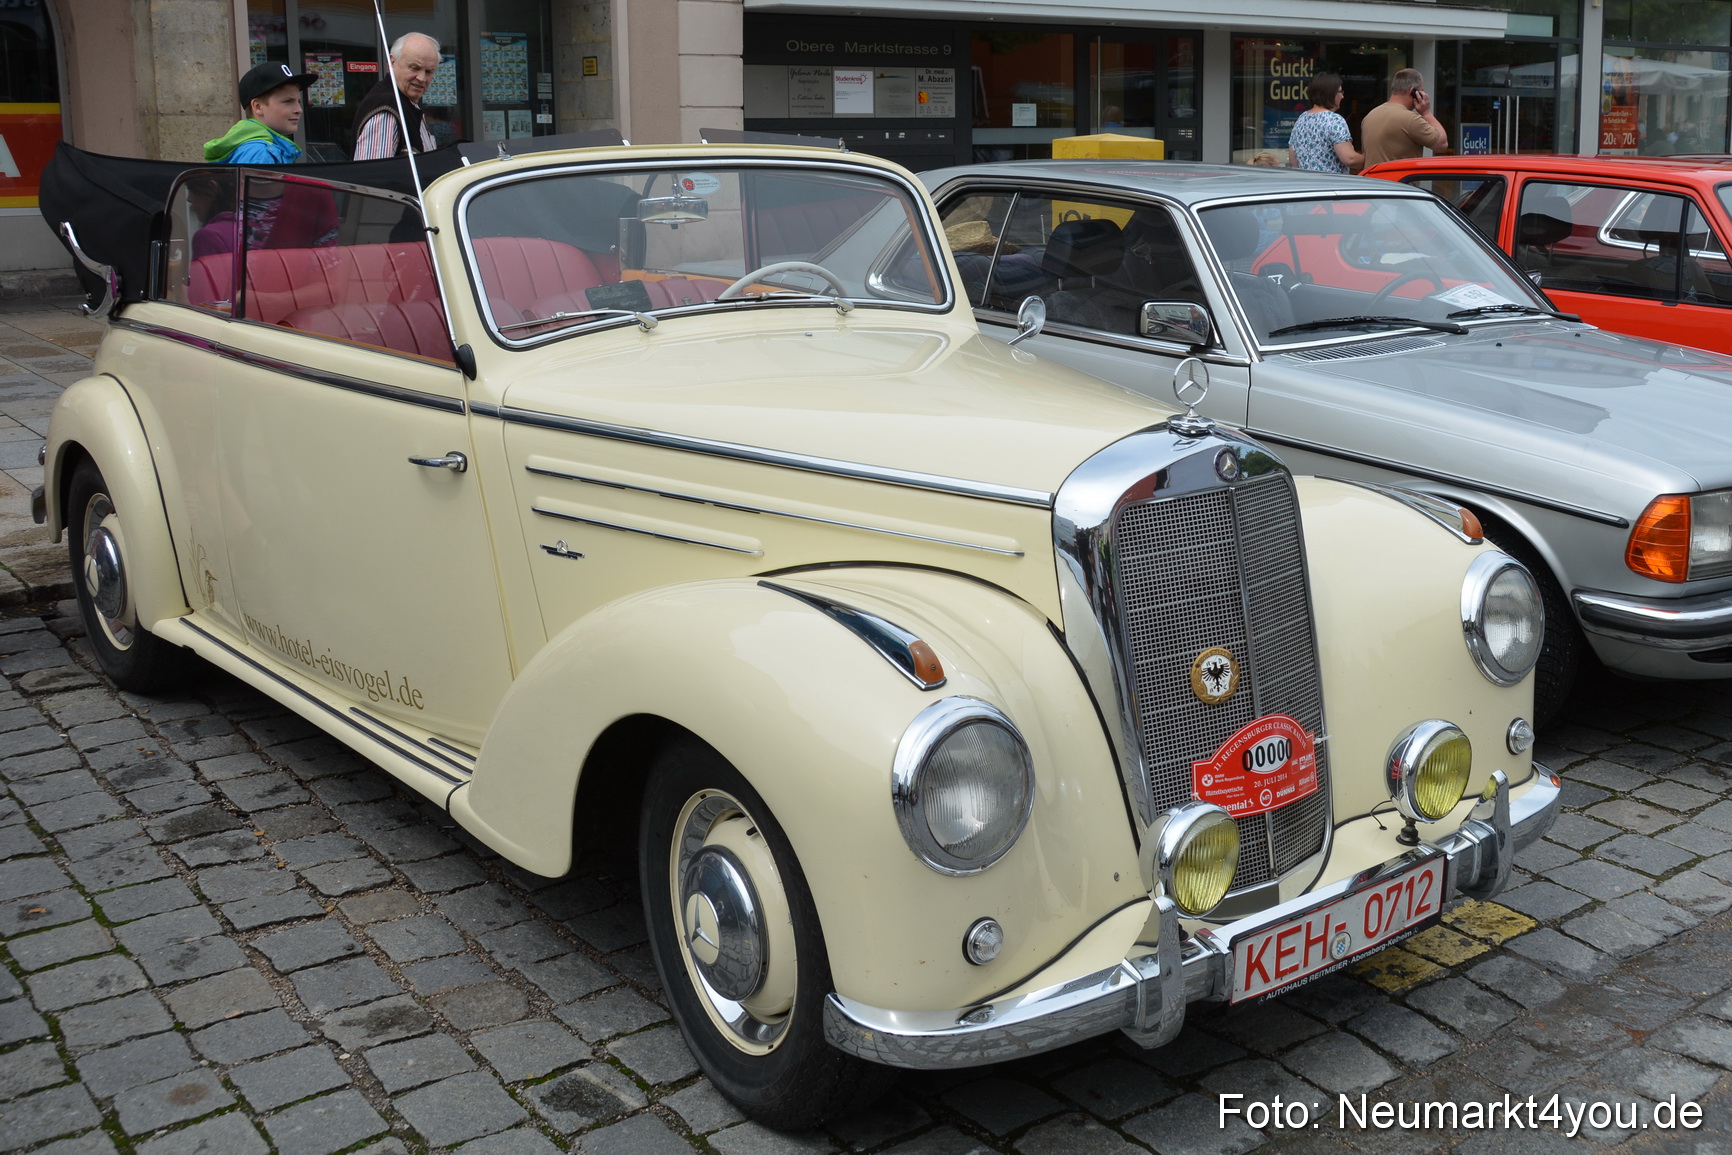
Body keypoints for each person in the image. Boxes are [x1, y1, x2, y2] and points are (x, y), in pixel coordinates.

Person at [351, 32, 441, 159]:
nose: (422, 78)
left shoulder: (406, 103)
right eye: (414, 68)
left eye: (429, 71)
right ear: (392, 62)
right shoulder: (387, 109)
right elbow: (373, 169)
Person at [203, 62, 314, 164]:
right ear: (258, 106)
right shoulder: (261, 154)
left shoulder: (259, 148)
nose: (299, 110)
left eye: (298, 101)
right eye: (288, 101)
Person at [1360, 68, 1448, 167]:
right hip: (1398, 177)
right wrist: (1426, 113)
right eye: (1422, 91)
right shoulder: (1411, 119)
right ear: (1413, 92)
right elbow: (1442, 144)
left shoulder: (1370, 116)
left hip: (1372, 176)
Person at [1286, 73, 1362, 174]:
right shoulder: (1334, 120)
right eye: (1340, 91)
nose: (1342, 96)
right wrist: (1372, 160)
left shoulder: (1301, 120)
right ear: (1330, 93)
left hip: (1305, 182)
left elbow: (1293, 162)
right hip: (1331, 182)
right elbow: (1350, 159)